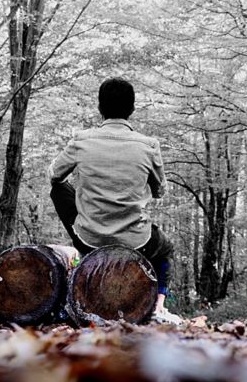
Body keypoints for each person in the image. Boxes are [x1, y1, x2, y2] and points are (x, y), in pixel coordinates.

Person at [48, 77, 182, 324]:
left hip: (90, 238)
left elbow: (55, 175)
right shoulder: (149, 146)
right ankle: (158, 306)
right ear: (132, 108)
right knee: (165, 250)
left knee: (58, 189)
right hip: (136, 241)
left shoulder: (81, 140)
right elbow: (160, 191)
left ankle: (84, 254)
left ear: (100, 107)